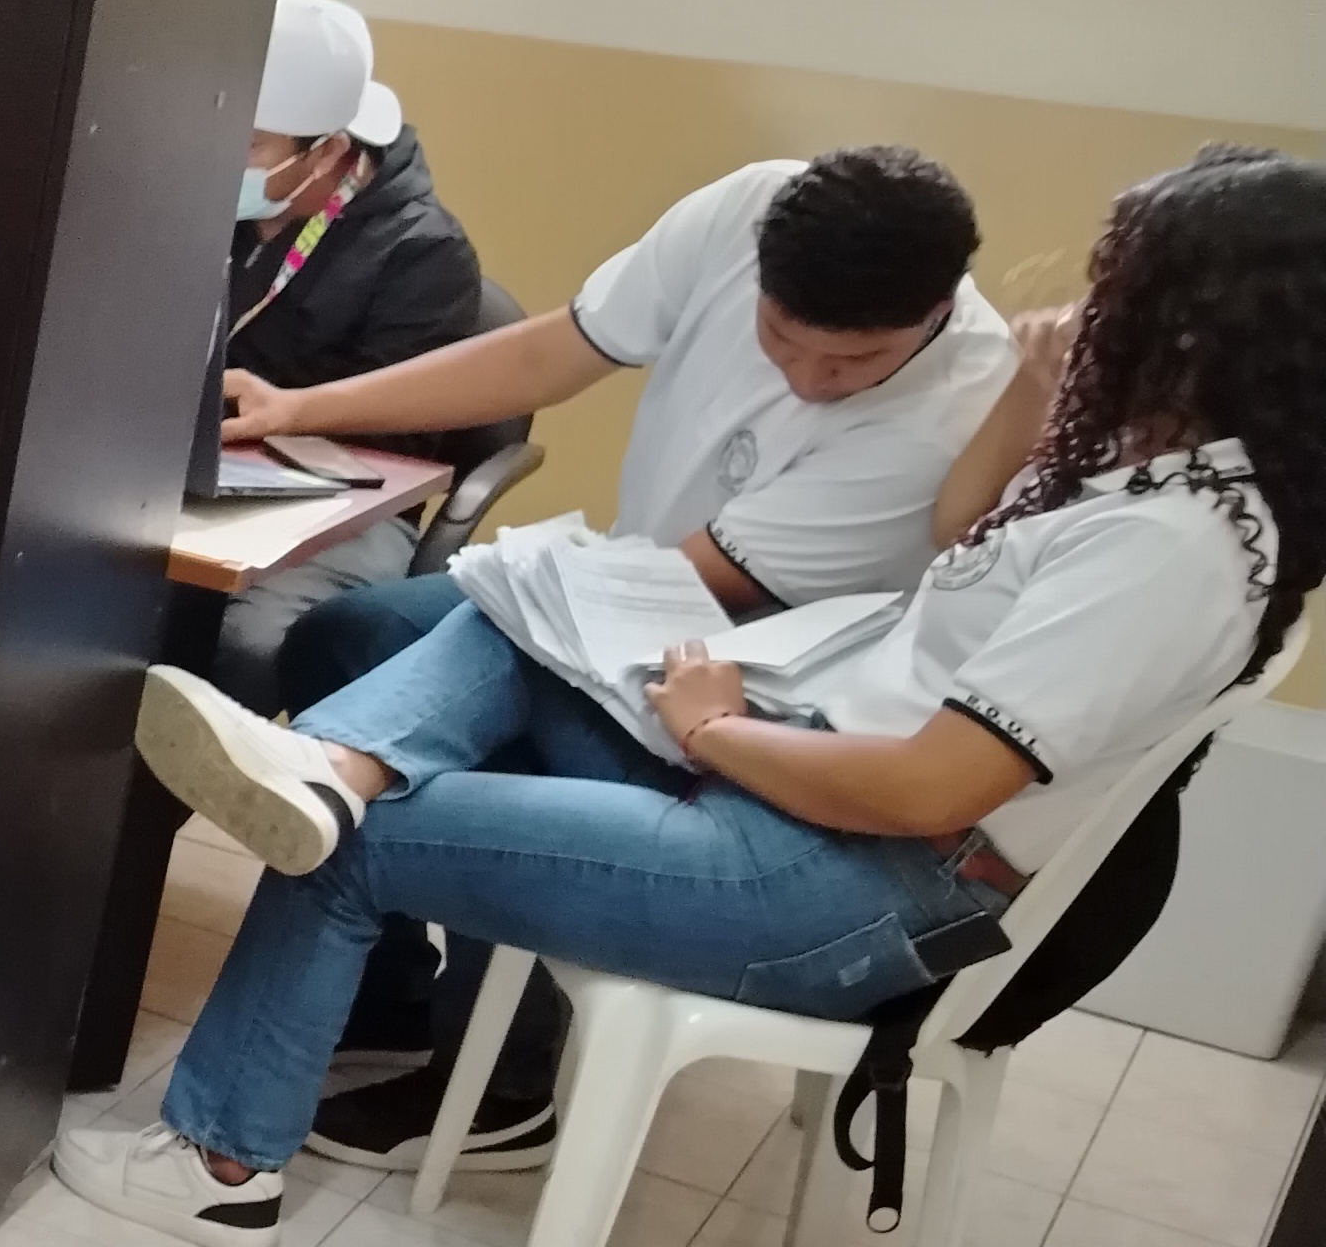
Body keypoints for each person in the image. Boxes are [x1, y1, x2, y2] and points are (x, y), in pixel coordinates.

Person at [57, 146, 1323, 1247]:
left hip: (844, 878)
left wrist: (719, 732)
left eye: (1114, 292)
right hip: (811, 782)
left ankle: (221, 1167)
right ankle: (334, 769)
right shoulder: (1164, 479)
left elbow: (934, 788)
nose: (1083, 309)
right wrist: (1035, 404)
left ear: (1195, 337)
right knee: (534, 610)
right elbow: (961, 539)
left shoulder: (1170, 549)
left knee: (357, 845)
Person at [227, 146, 1020, 1166]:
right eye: (780, 338)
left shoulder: (952, 411)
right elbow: (555, 352)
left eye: (854, 365)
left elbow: (691, 591)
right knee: (348, 633)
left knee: (484, 696)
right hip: (637, 596)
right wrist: (301, 409)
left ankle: (500, 1081)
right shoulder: (748, 208)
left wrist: (544, 596)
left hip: (749, 691)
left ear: (938, 312)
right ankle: (384, 988)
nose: (807, 379)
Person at [207, 0, 491, 706]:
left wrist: (278, 419)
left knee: (248, 641)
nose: (225, 158)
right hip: (189, 475)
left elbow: (392, 441)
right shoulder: (204, 208)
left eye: (251, 144)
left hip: (343, 507)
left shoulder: (424, 253)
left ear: (329, 150)